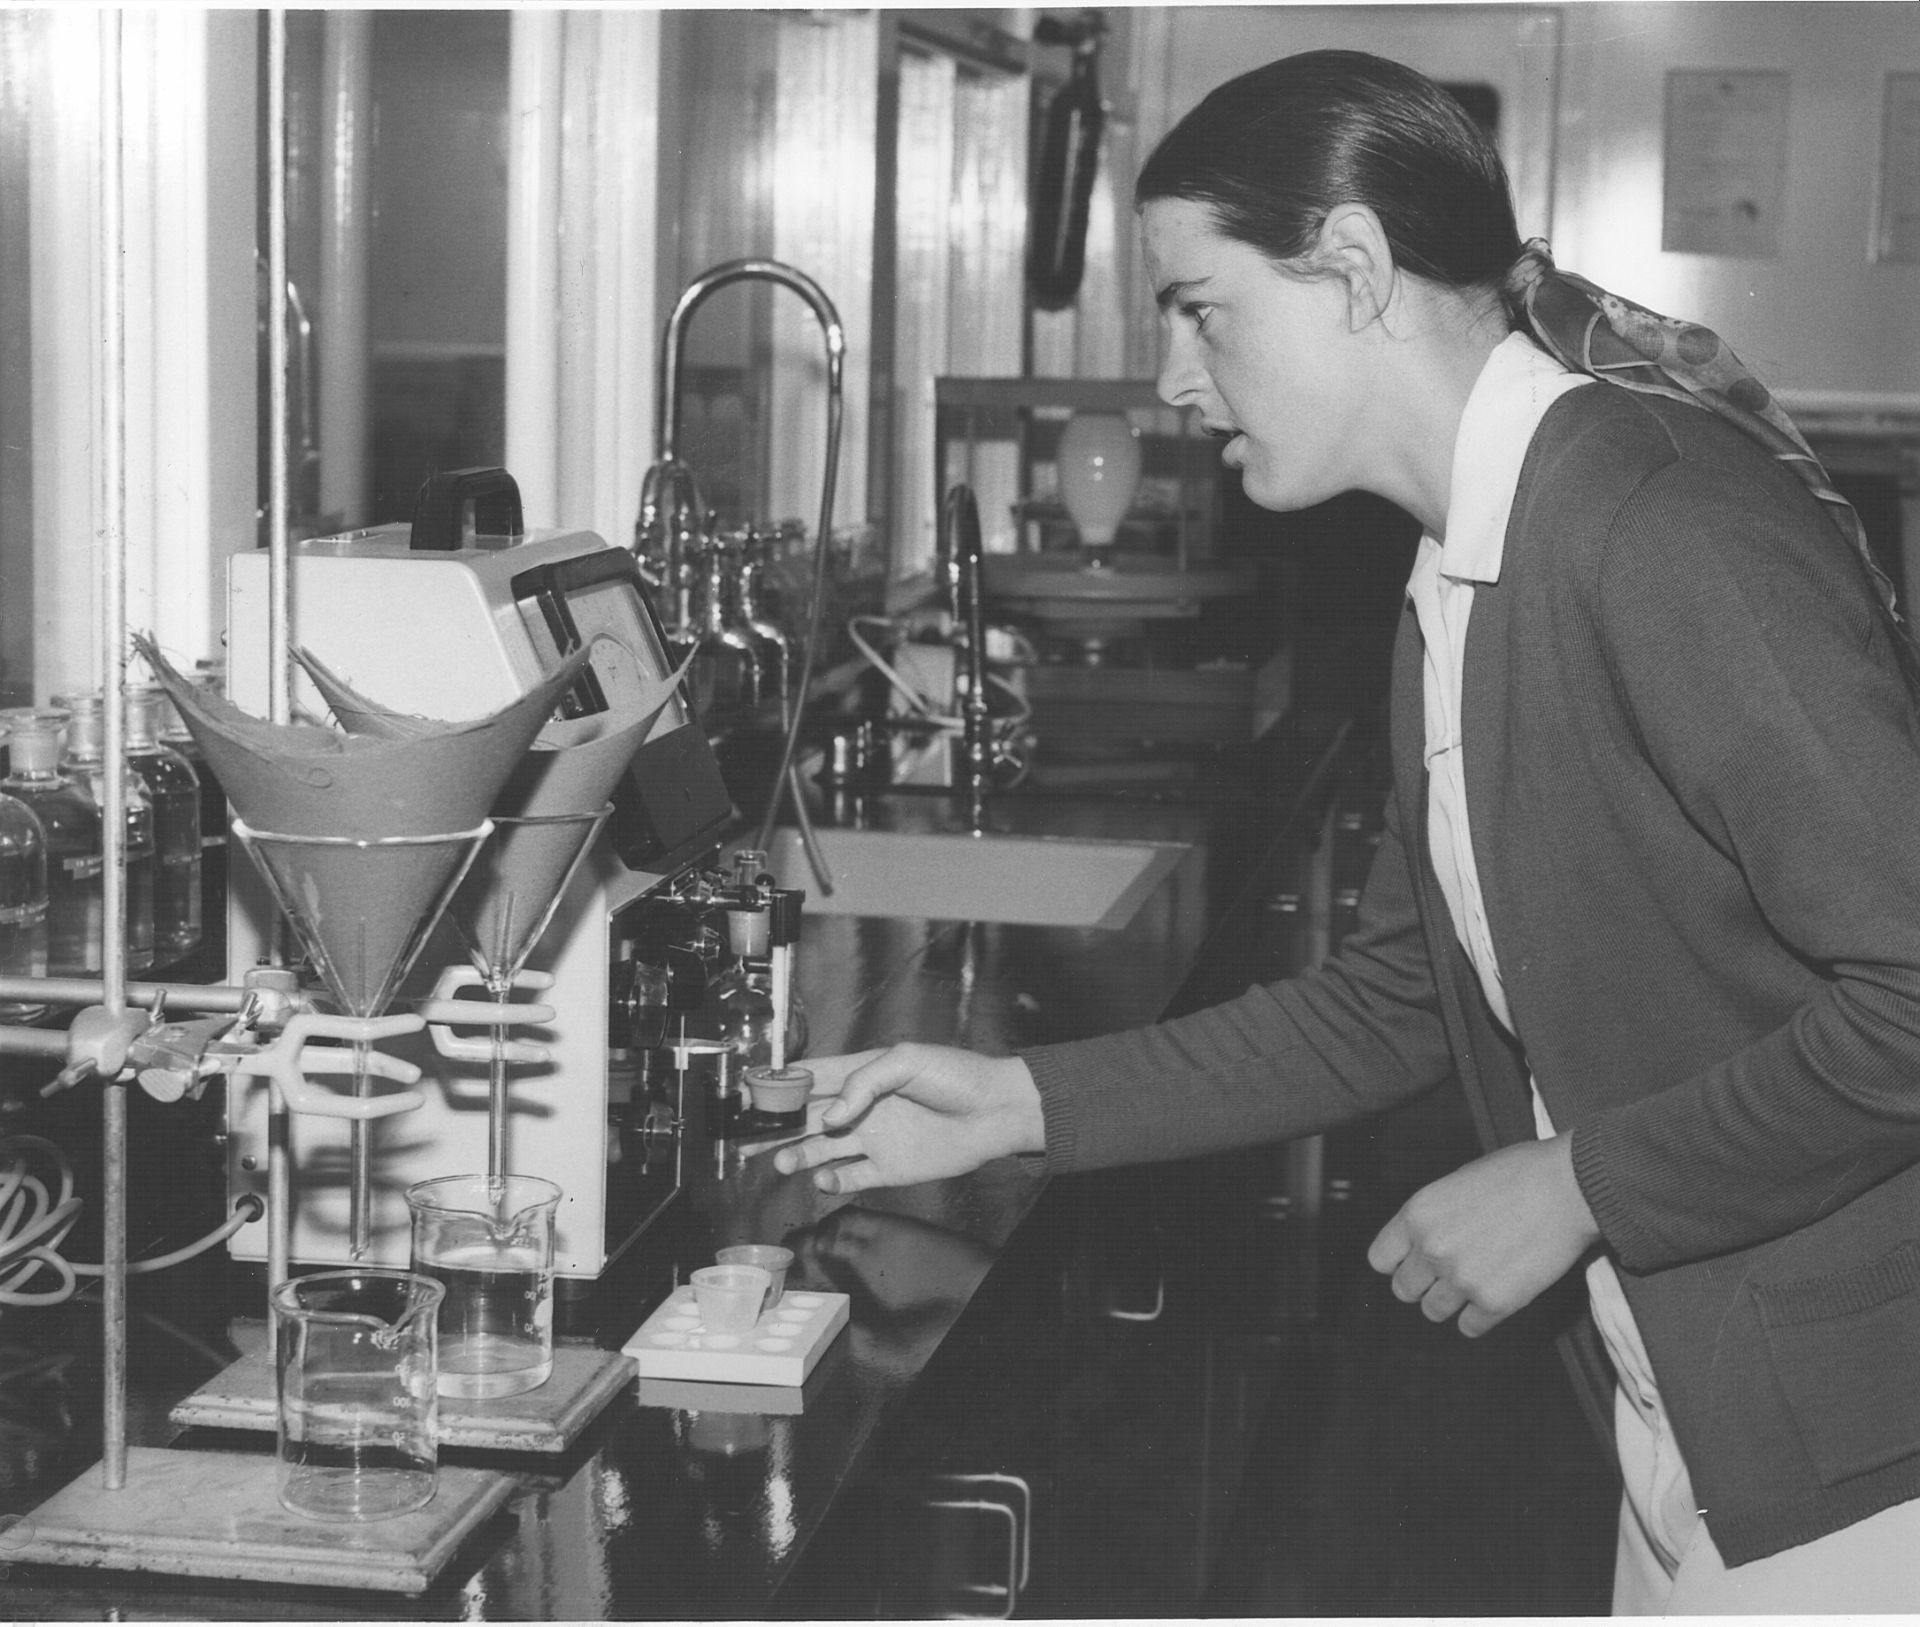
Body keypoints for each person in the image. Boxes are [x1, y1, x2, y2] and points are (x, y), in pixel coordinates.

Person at [772, 48, 1920, 1613]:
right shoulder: (1461, 564)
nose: (1175, 380)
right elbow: (1404, 996)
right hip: (1700, 1419)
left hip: (1867, 1460)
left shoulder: (1663, 529)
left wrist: (1580, 1184)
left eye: (1198, 307)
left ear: (1357, 271)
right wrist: (1017, 1103)